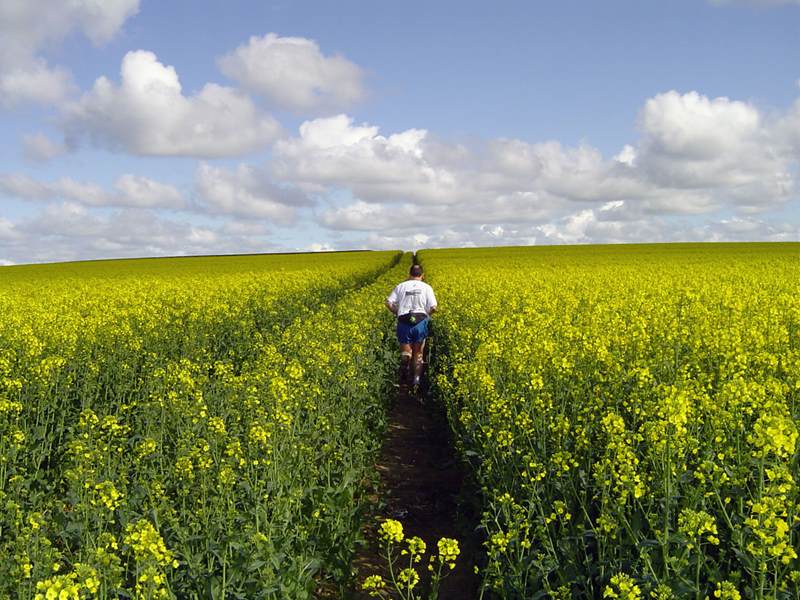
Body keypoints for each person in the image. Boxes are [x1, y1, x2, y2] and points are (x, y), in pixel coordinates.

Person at [385, 263, 437, 387]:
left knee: (406, 351)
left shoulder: (401, 286)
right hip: (420, 321)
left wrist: (396, 312)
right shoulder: (427, 287)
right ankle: (416, 380)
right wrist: (427, 315)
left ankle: (405, 365)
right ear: (422, 275)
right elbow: (434, 307)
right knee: (418, 352)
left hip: (404, 321)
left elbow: (388, 302)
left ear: (409, 274)